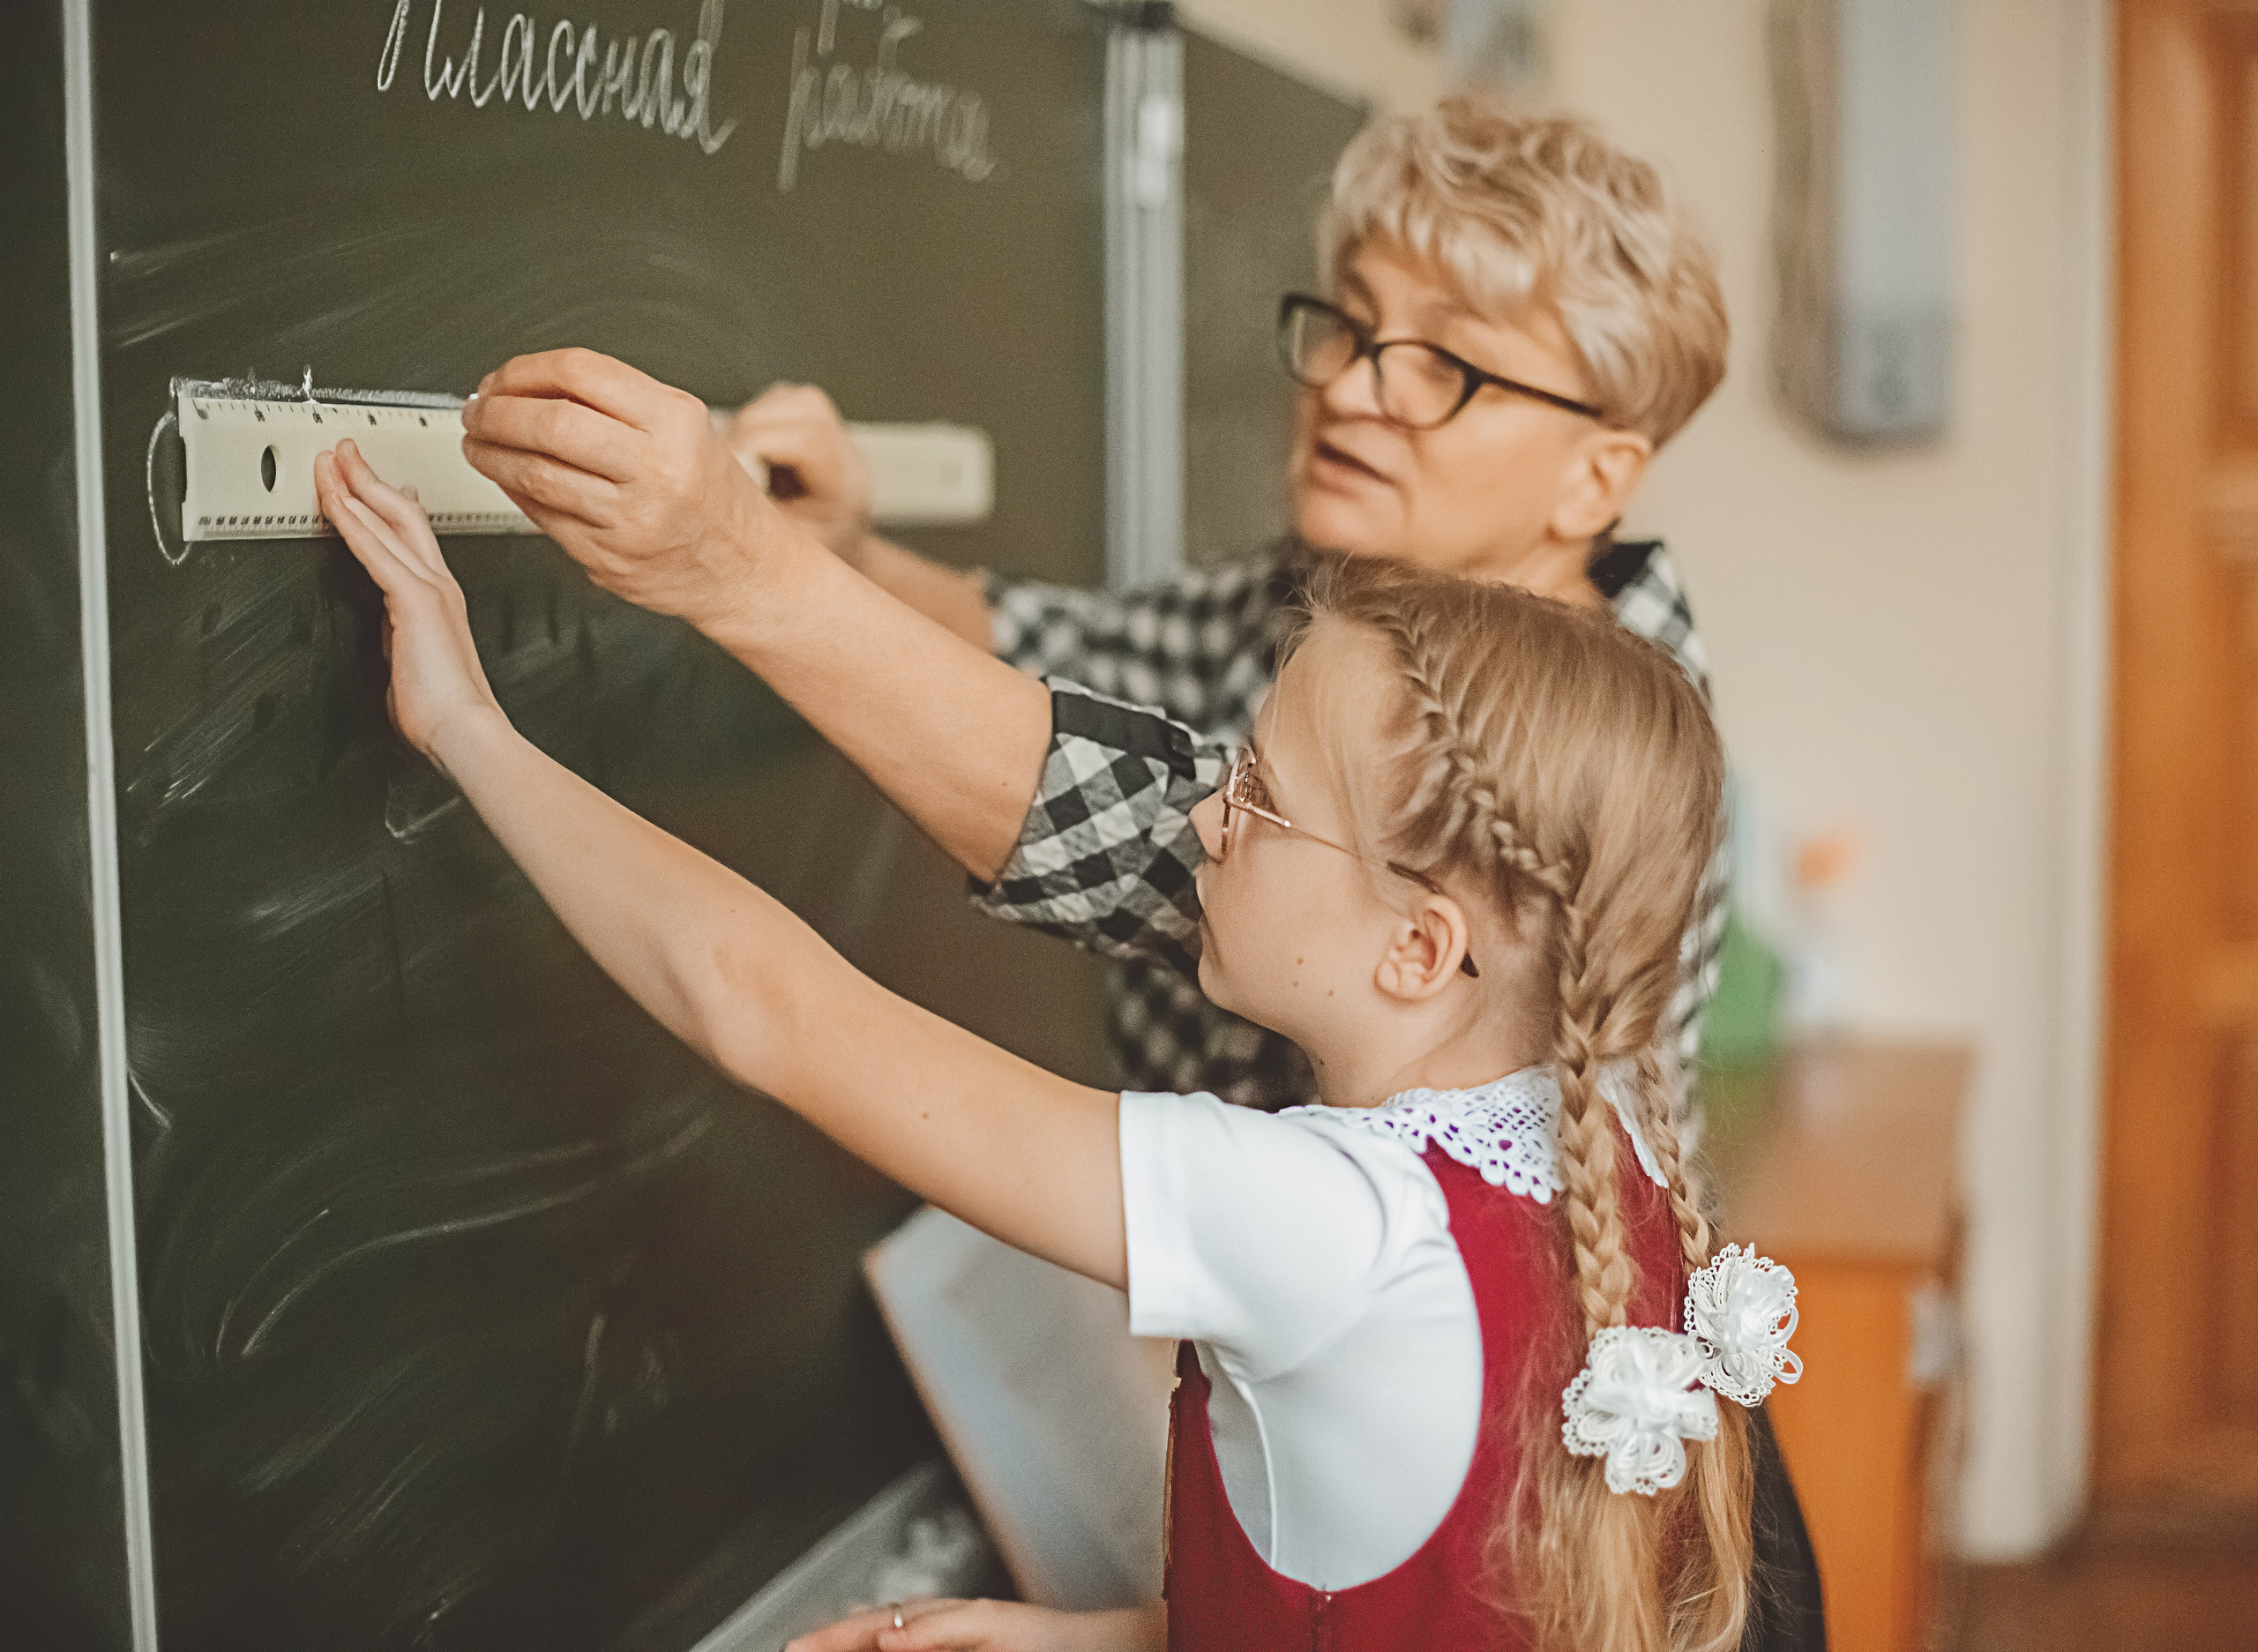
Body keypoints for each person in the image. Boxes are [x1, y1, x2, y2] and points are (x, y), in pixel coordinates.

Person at [310, 430, 1795, 1652]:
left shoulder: (1321, 1218)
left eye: (1259, 799)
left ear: (1418, 947)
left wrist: (467, 725)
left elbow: (766, 1006)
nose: (1205, 820)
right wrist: (1083, 1638)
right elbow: (1429, 1600)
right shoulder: (1619, 1161)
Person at [718, 100, 1732, 1111]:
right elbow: (1069, 649)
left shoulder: (1598, 753)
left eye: (1445, 366)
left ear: (1595, 480)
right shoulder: (1328, 594)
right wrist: (851, 555)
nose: (1347, 391)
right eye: (1352, 323)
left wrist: (742, 570)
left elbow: (1132, 836)